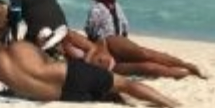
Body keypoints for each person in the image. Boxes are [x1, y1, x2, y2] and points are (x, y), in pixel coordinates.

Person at [0, 38, 179, 108]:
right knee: (124, 83)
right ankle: (169, 103)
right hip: (67, 73)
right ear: (2, 43)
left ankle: (121, 98)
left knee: (107, 93)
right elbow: (47, 60)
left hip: (65, 96)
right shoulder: (20, 46)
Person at [60, 29, 205, 80]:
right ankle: (182, 74)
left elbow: (93, 47)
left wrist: (86, 62)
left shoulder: (69, 35)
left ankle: (187, 65)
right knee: (147, 68)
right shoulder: (54, 56)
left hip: (108, 47)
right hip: (110, 68)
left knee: (145, 54)